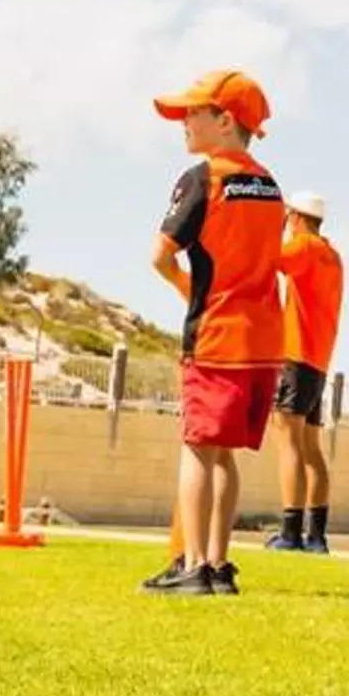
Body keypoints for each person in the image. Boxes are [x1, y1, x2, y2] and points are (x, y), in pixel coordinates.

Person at [141, 70, 285, 596]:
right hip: (265, 340)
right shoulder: (270, 184)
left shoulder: (203, 178)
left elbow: (161, 255)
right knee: (223, 454)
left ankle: (193, 564)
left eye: (193, 111)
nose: (183, 120)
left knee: (198, 448)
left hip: (217, 336)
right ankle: (219, 565)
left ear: (225, 122)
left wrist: (188, 292)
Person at [266, 192, 344, 554]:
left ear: (295, 218)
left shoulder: (304, 247)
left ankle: (290, 531)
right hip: (319, 360)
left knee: (288, 442)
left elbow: (266, 259)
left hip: (294, 357)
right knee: (311, 447)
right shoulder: (332, 256)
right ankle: (316, 535)